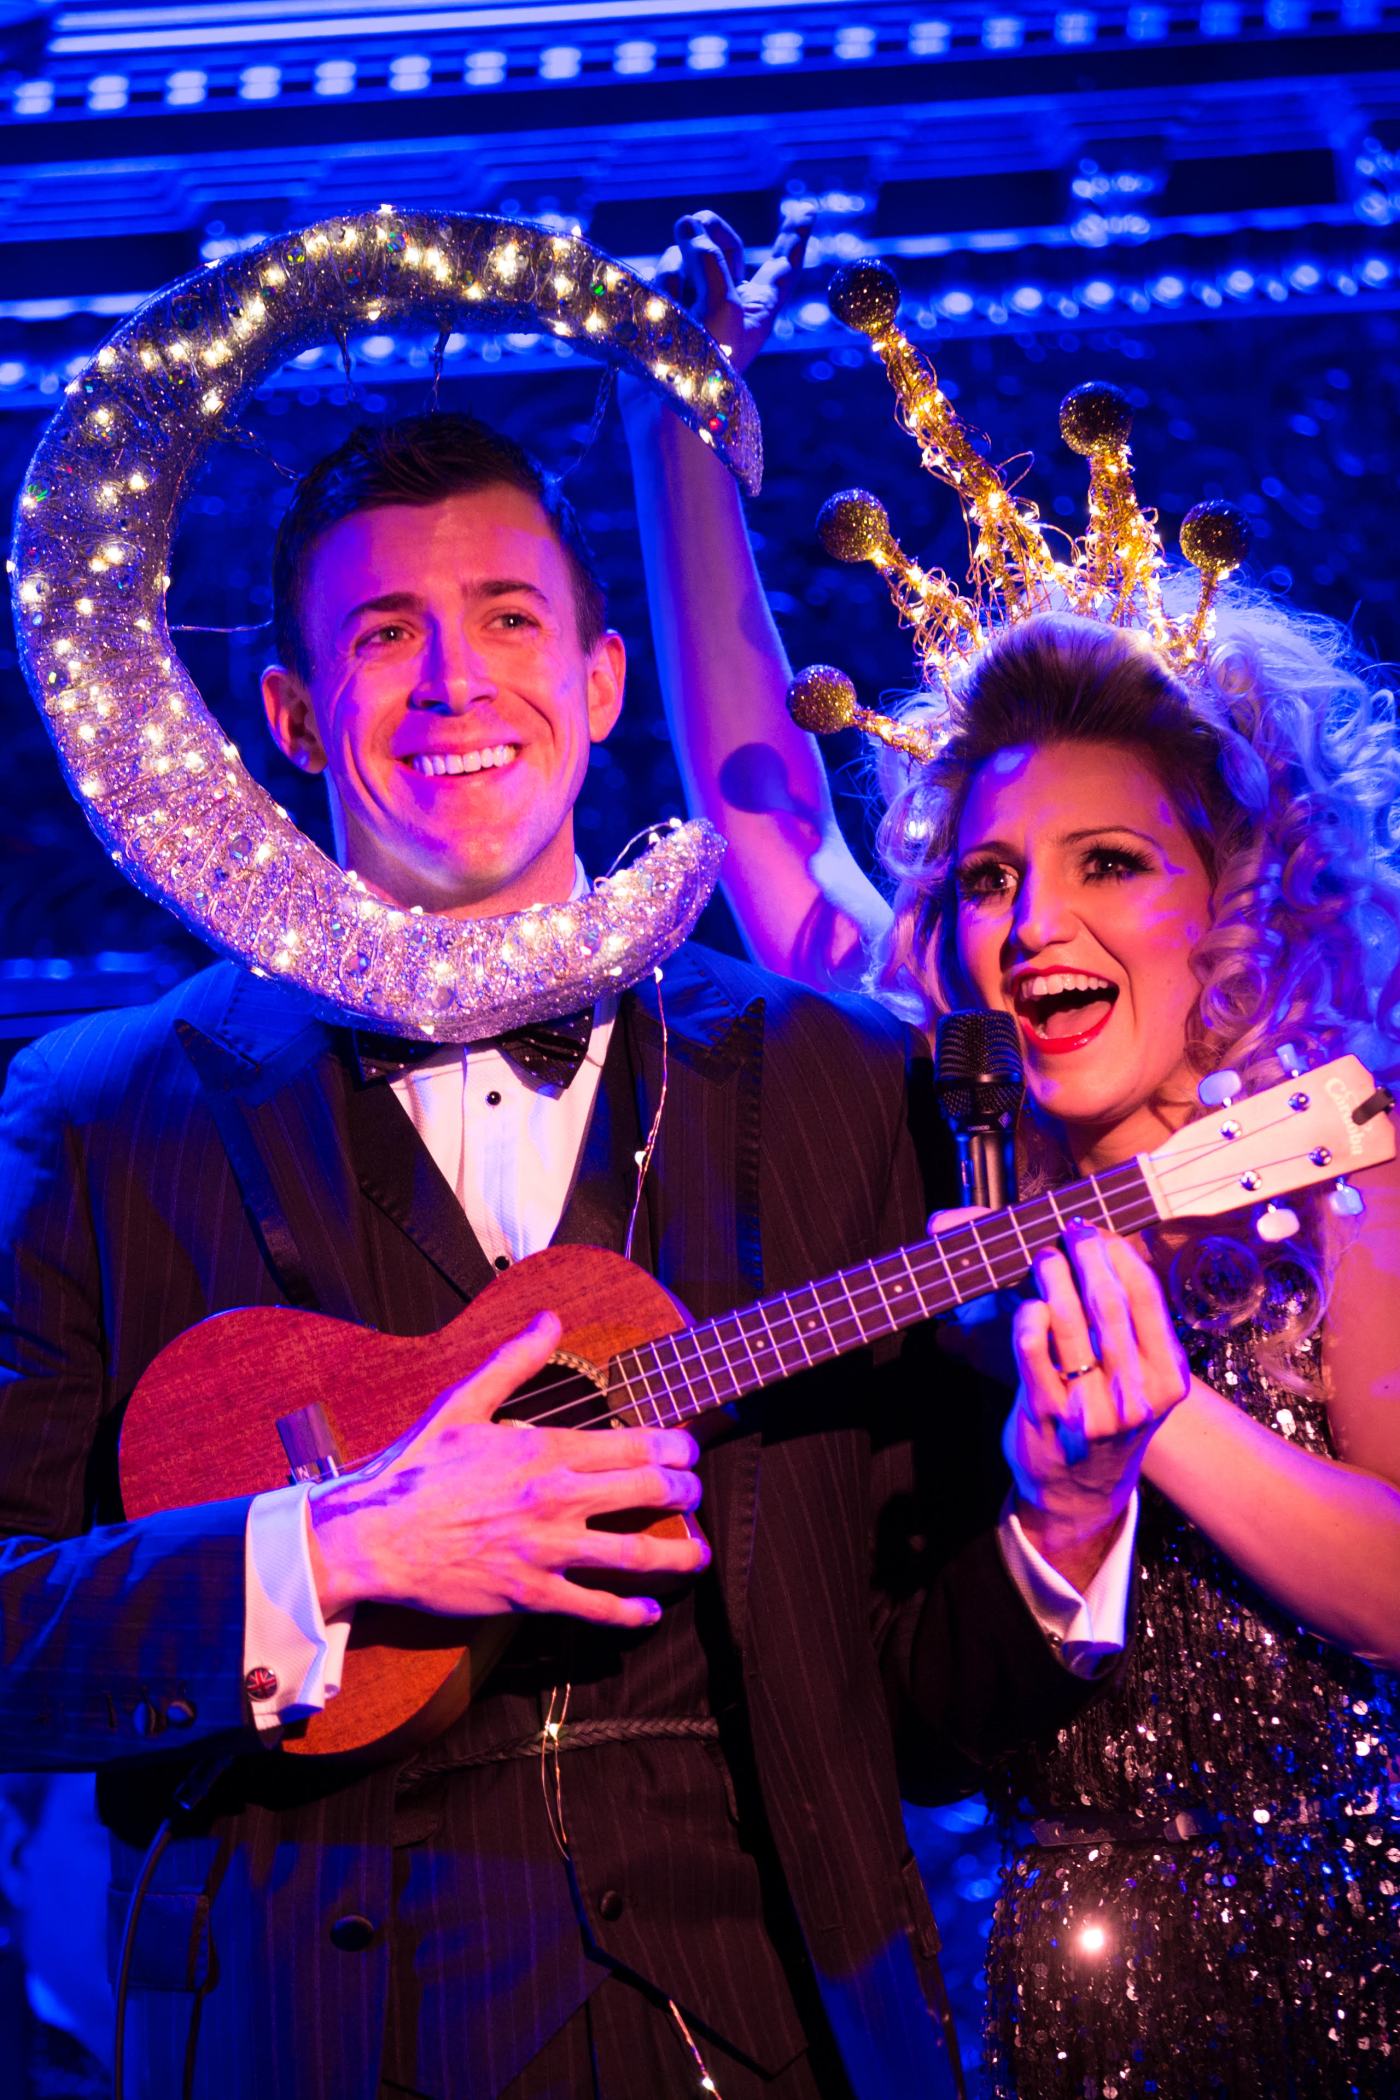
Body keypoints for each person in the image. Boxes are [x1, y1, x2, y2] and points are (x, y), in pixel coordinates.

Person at [0, 408, 1178, 2100]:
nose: (454, 683)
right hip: (311, 2037)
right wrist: (332, 1551)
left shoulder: (845, 1081)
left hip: (761, 2031)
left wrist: (1067, 1516)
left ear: (605, 679)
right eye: (383, 635)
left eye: (508, 619)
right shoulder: (104, 1112)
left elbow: (923, 1718)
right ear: (290, 712)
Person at [626, 211, 1400, 2095]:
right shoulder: (942, 1138)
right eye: (984, 878)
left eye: (1107, 863)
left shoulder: (1346, 1174)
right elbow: (757, 809)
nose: (1031, 923)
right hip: (1036, 2003)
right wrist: (677, 425)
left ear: (1238, 886)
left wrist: (1157, 1424)